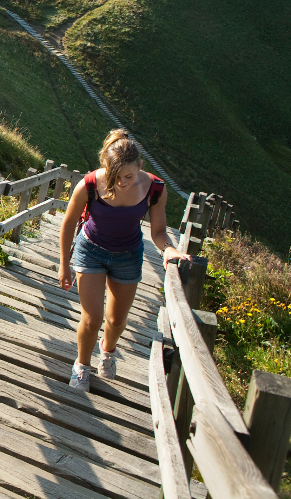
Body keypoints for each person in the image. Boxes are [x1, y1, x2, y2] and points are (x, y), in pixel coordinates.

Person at [58, 130, 190, 391]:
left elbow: (159, 231)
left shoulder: (155, 189)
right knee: (92, 318)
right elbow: (68, 222)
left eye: (128, 176)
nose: (121, 183)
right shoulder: (89, 185)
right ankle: (82, 367)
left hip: (128, 255)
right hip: (91, 250)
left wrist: (169, 250)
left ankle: (108, 350)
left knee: (117, 321)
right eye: (114, 176)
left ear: (140, 167)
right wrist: (64, 264)